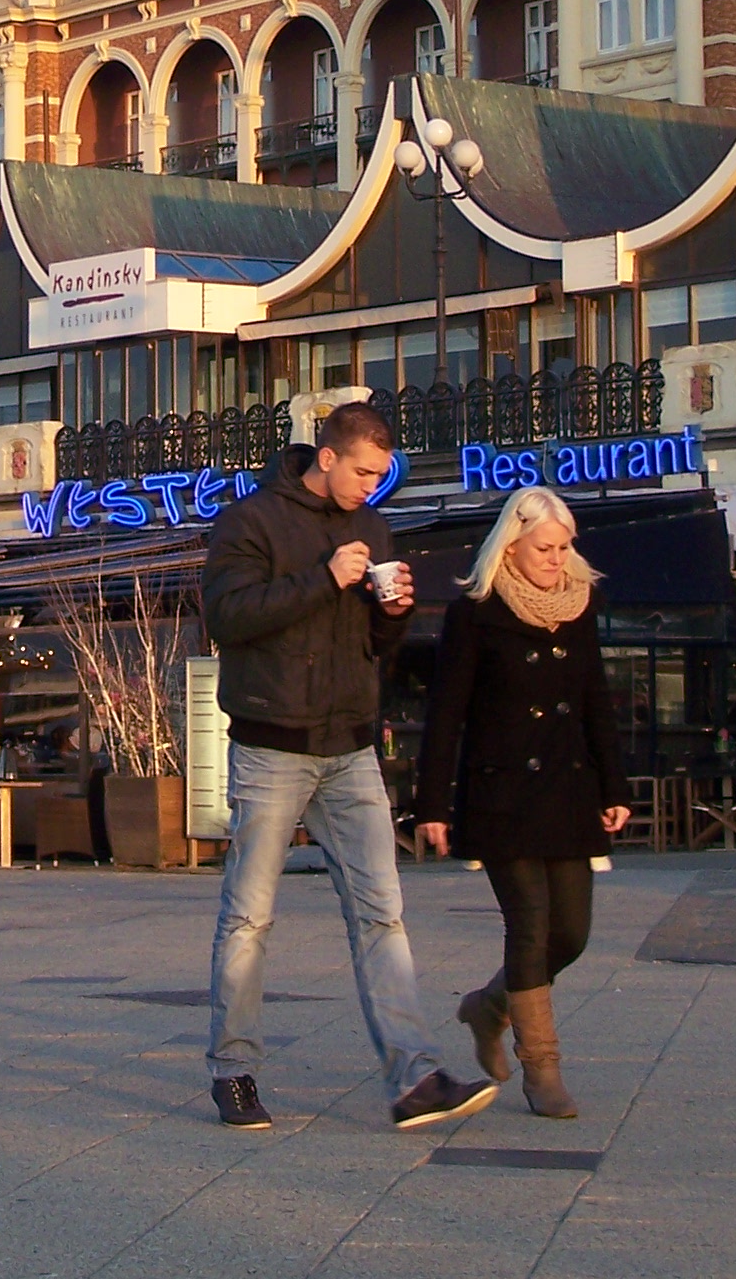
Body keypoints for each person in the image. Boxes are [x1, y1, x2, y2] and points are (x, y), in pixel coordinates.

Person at [200, 401, 493, 1134]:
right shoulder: (251, 520)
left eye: (382, 474)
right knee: (249, 915)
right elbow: (227, 618)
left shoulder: (371, 525)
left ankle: (415, 1075)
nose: (372, 484)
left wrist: (392, 612)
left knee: (381, 913)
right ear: (326, 457)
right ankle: (233, 1070)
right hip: (271, 744)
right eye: (363, 471)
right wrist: (325, 579)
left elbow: (372, 644)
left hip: (350, 744)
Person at [415, 485, 631, 1120]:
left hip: (568, 791)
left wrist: (614, 785)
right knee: (530, 926)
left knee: (572, 933)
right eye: (545, 547)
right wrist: (433, 804)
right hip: (501, 793)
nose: (556, 558)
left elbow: (596, 700)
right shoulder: (475, 611)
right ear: (512, 543)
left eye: (565, 548)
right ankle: (543, 1068)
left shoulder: (581, 606)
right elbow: (446, 714)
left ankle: (488, 1005)